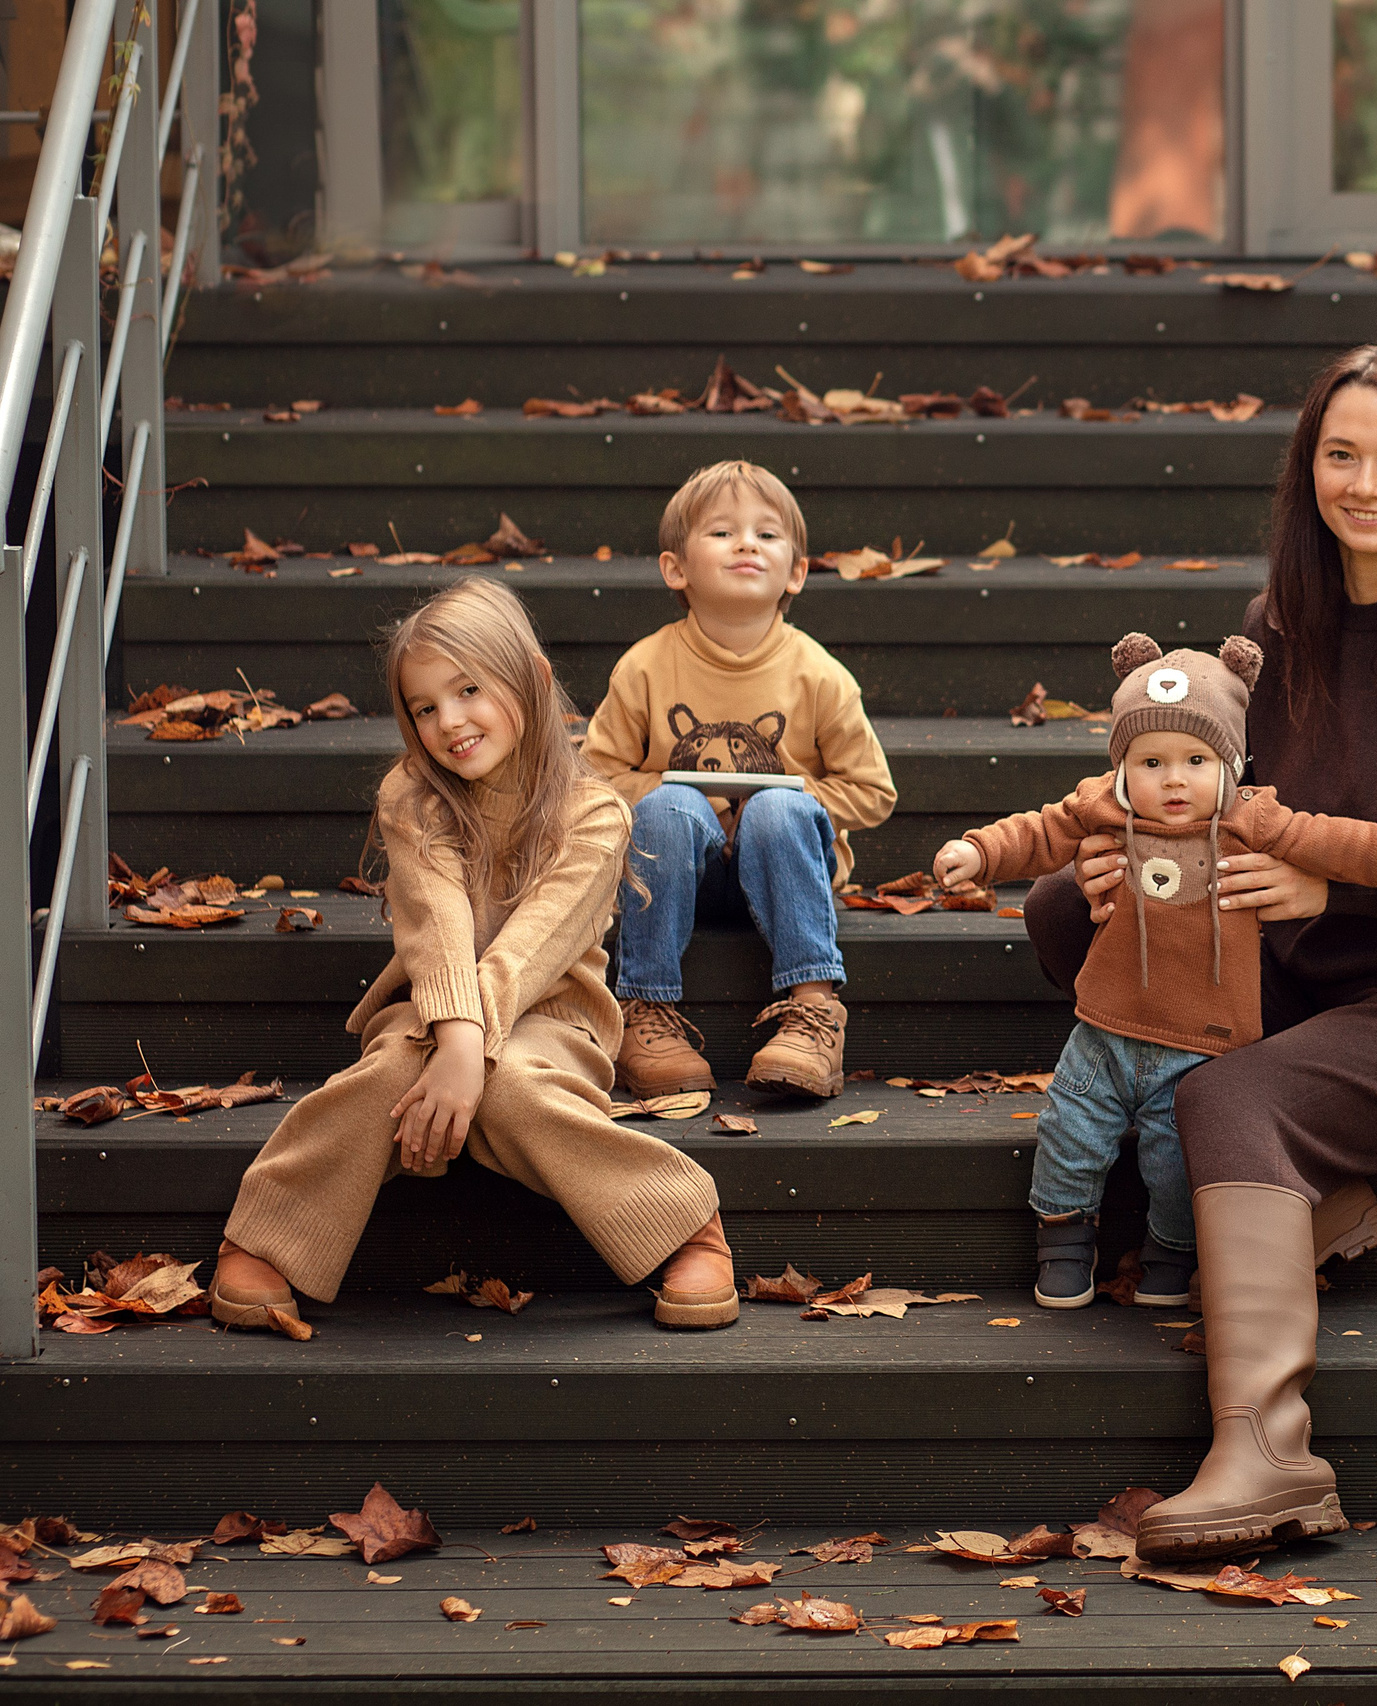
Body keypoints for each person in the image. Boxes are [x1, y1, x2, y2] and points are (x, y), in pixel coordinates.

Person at [1019, 345, 1377, 1561]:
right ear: (1305, 467)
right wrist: (1129, 855)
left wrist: (1329, 884)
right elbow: (1223, 799)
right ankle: (1321, 1202)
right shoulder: (1280, 624)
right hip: (1302, 958)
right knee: (1068, 913)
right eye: (1340, 454)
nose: (1363, 483)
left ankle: (1271, 1450)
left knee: (1221, 1092)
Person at [209, 577, 738, 1333]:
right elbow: (437, 928)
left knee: (514, 1085)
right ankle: (263, 1238)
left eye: (467, 690)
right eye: (424, 707)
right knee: (394, 1069)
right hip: (426, 1008)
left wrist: (469, 1055)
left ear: (533, 679)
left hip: (555, 1020)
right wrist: (455, 1041)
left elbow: (533, 948)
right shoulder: (413, 795)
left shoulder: (596, 814)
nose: (448, 722)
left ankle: (685, 1222)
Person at [934, 631, 1377, 1312]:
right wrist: (977, 852)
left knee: (1174, 1160)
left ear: (1231, 763)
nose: (1174, 779)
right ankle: (1063, 1242)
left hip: (1202, 1046)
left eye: (1196, 760)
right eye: (1151, 760)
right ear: (1123, 767)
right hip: (1106, 1031)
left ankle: (1170, 1256)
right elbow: (1038, 832)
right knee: (1069, 1132)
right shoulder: (1106, 807)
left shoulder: (1252, 818)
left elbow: (1332, 837)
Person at [585, 460, 897, 1099]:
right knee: (670, 807)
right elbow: (596, 777)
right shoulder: (645, 666)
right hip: (680, 871)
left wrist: (774, 794)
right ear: (676, 569)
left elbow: (872, 791)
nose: (747, 543)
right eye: (723, 532)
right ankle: (644, 1009)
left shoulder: (819, 673)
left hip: (786, 867)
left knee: (778, 812)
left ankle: (813, 1010)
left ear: (797, 572)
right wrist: (685, 792)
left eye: (767, 534)